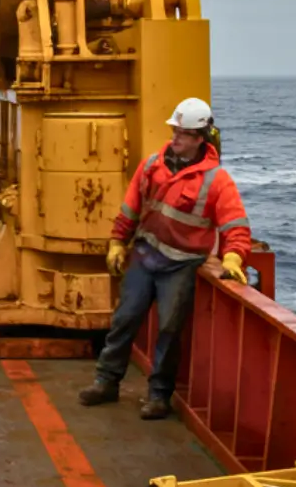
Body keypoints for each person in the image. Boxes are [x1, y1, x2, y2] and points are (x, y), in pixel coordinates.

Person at [80, 97, 251, 420]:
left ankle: (159, 396)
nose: (175, 138)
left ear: (200, 138)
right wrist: (118, 242)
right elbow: (130, 209)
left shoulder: (217, 181)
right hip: (146, 255)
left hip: (182, 264)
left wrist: (232, 258)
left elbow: (235, 225)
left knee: (170, 330)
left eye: (183, 134)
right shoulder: (151, 166)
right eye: (174, 131)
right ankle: (106, 381)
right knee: (125, 318)